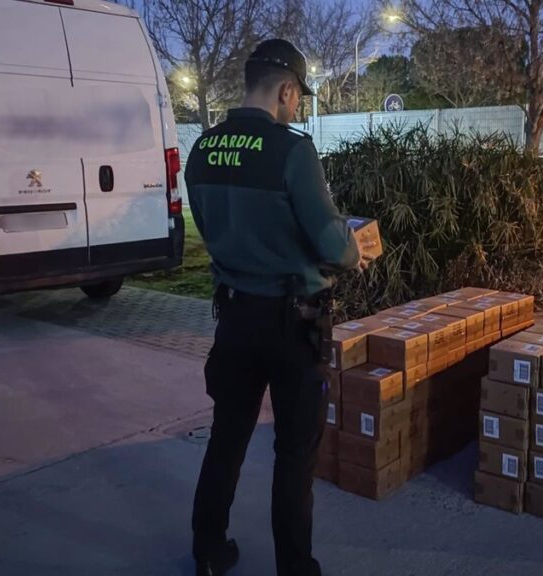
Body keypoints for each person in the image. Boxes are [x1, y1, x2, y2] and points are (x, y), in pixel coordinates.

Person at [184, 38, 377, 576]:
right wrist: (350, 248)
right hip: (295, 327)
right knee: (294, 454)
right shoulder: (293, 151)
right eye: (298, 99)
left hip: (235, 319)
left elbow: (216, 226)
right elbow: (333, 244)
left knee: (228, 435)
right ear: (286, 90)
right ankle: (294, 568)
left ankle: (207, 551)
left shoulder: (202, 150)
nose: (297, 109)